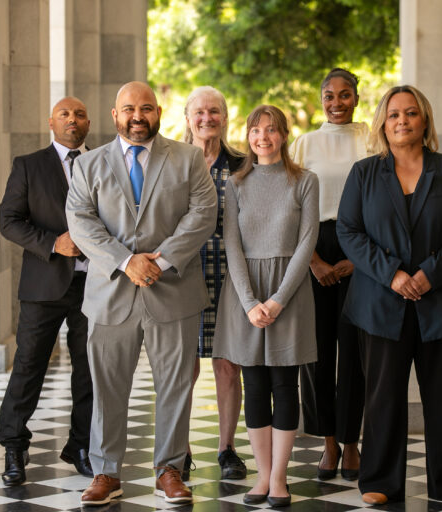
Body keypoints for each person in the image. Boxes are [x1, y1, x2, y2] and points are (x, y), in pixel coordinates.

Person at [65, 81, 217, 505]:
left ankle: (170, 469)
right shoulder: (89, 165)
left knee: (175, 385)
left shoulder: (188, 159)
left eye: (146, 108)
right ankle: (106, 472)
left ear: (159, 113)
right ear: (115, 115)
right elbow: (80, 220)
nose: (137, 116)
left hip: (174, 291)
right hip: (110, 293)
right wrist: (126, 261)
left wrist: (161, 261)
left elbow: (203, 214)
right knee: (108, 387)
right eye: (129, 108)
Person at [336, 85, 442, 505]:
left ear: (425, 121)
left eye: (411, 113)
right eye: (394, 114)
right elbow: (348, 231)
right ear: (383, 122)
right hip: (381, 303)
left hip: (440, 301)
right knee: (382, 396)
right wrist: (393, 274)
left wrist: (429, 274)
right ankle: (380, 480)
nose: (402, 121)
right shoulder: (364, 173)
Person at [213, 105, 319, 507]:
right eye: (256, 130)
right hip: (244, 294)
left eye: (271, 130)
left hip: (289, 292)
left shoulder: (305, 181)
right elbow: (232, 244)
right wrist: (250, 302)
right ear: (248, 136)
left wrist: (276, 300)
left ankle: (279, 478)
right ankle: (260, 476)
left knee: (284, 385)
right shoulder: (235, 184)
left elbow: (307, 242)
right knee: (254, 385)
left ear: (284, 135)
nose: (263, 137)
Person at [0, 96, 94, 486]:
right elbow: (9, 221)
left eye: (80, 114)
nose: (73, 119)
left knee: (90, 370)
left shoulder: (102, 162)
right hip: (43, 285)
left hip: (95, 284)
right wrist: (54, 243)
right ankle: (14, 446)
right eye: (65, 114)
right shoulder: (28, 165)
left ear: (88, 123)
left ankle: (82, 446)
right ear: (51, 122)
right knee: (29, 366)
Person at [289, 68, 367, 481]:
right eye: (329, 95)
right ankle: (328, 442)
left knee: (353, 351)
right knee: (316, 352)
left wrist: (362, 259)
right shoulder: (305, 143)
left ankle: (352, 440)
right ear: (321, 99)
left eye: (345, 95)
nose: (336, 102)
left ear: (356, 98)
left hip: (360, 247)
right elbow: (294, 206)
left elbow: (381, 201)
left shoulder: (372, 139)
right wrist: (314, 261)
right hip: (314, 244)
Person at [182, 86, 247, 481]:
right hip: (181, 278)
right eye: (200, 112)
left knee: (228, 365)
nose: (207, 118)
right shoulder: (172, 161)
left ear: (225, 117)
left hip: (230, 276)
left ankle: (227, 449)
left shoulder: (243, 164)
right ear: (187, 116)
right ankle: (180, 450)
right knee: (182, 368)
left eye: (215, 111)